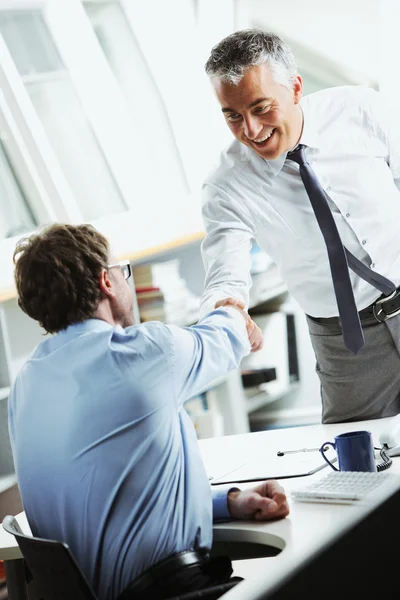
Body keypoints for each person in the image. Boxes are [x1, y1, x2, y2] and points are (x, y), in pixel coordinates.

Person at [9, 223, 289, 600]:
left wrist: (229, 502)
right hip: (174, 593)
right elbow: (229, 335)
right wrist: (237, 315)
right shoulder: (142, 352)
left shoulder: (26, 386)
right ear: (106, 281)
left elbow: (108, 501)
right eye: (122, 271)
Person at [201, 28, 400, 424]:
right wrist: (228, 305)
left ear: (295, 88)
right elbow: (225, 267)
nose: (251, 130)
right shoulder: (228, 184)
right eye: (232, 116)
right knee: (358, 468)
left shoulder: (361, 110)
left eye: (260, 108)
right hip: (347, 342)